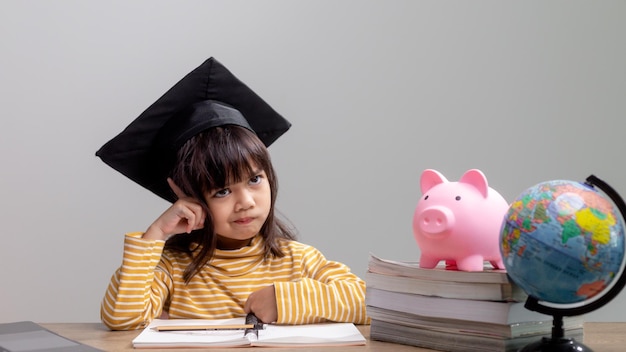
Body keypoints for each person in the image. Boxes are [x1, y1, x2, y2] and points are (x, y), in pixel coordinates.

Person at [96, 57, 369, 331]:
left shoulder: (299, 261)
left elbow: (370, 304)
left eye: (254, 179)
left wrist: (284, 300)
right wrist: (156, 233)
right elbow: (122, 319)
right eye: (222, 191)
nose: (246, 203)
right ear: (184, 194)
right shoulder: (171, 269)